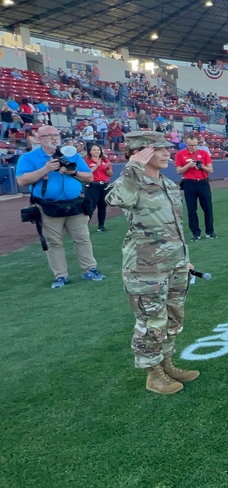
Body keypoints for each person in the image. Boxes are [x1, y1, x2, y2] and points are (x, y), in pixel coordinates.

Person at [106, 131, 200, 395]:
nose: (167, 153)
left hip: (175, 264)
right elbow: (115, 200)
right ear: (142, 153)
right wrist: (132, 168)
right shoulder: (132, 185)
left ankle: (167, 364)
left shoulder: (168, 184)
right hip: (146, 269)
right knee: (151, 323)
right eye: (160, 149)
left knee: (173, 318)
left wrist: (185, 259)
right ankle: (153, 374)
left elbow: (176, 228)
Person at [15, 125, 107, 288]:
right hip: (48, 207)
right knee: (53, 242)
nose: (54, 138)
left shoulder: (71, 155)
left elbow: (89, 176)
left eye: (56, 135)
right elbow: (22, 181)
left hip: (75, 204)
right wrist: (46, 169)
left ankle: (90, 269)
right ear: (40, 138)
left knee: (83, 239)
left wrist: (73, 173)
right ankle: (60, 276)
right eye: (49, 135)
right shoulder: (29, 158)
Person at [175, 131, 215, 240]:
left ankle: (210, 231)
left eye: (195, 145)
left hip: (203, 182)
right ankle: (195, 233)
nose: (193, 147)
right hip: (189, 183)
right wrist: (189, 165)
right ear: (186, 143)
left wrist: (201, 166)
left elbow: (210, 169)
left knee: (208, 208)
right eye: (191, 145)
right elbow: (179, 171)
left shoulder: (204, 153)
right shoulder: (180, 154)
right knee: (192, 210)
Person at [84, 143, 113, 231]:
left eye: (98, 150)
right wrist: (97, 165)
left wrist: (107, 168)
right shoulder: (86, 161)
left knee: (102, 206)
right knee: (90, 207)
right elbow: (87, 173)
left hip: (104, 184)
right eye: (94, 150)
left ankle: (101, 226)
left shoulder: (105, 160)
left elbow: (110, 174)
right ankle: (84, 227)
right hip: (92, 185)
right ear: (89, 151)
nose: (96, 151)